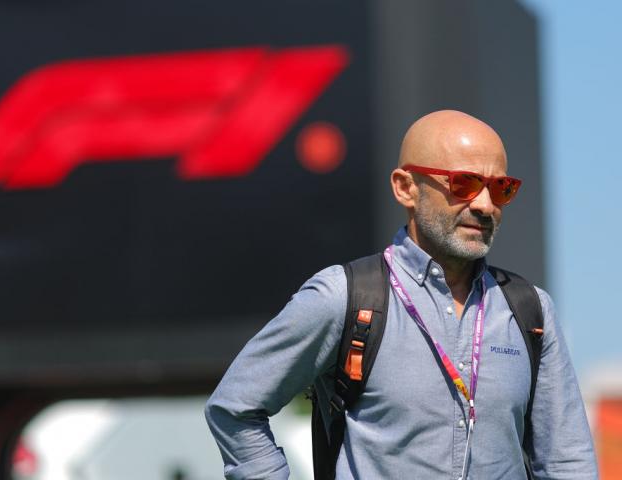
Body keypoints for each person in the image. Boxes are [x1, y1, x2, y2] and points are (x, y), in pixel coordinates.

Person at [205, 110, 598, 479]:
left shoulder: (530, 310)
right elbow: (235, 408)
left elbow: (567, 461)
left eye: (501, 188)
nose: (484, 205)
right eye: (464, 183)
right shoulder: (343, 298)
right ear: (406, 187)